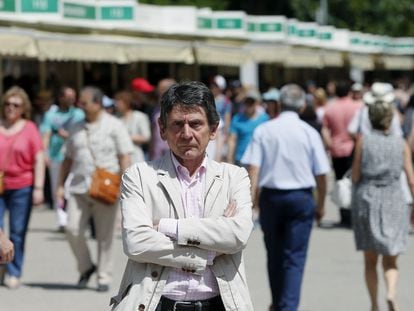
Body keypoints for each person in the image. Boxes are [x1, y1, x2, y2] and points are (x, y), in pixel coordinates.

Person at [110, 81, 254, 311]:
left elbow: (237, 235)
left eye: (196, 124)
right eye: (178, 124)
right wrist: (206, 253)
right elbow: (136, 242)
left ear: (214, 129)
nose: (186, 134)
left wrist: (169, 227)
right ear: (162, 129)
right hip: (155, 303)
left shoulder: (234, 177)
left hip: (220, 304)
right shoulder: (139, 176)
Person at [241, 84, 330, 311]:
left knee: (274, 254)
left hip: (271, 198)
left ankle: (279, 301)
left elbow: (253, 169)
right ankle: (287, 306)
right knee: (295, 258)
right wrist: (320, 204)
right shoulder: (309, 132)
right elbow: (321, 174)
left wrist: (250, 204)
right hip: (301, 198)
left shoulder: (265, 130)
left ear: (279, 104)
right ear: (302, 106)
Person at [56, 86, 133, 292]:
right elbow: (67, 158)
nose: (79, 105)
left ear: (97, 103)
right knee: (72, 229)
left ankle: (103, 276)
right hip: (79, 187)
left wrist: (126, 185)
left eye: (84, 102)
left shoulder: (115, 126)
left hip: (106, 188)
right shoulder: (75, 126)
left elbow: (124, 155)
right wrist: (59, 187)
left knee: (104, 235)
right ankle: (86, 267)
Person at [351, 96, 414, 311]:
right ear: (390, 120)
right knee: (391, 259)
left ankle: (374, 305)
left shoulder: (364, 141)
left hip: (368, 199)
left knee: (370, 260)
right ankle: (391, 293)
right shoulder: (401, 143)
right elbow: (411, 179)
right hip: (394, 198)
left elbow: (356, 174)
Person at [0, 86, 45, 289]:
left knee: (17, 232)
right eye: (8, 104)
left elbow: (38, 159)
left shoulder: (29, 128)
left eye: (16, 105)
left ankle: (13, 270)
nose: (11, 108)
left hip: (22, 186)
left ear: (23, 108)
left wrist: (38, 188)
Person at [41, 86, 84, 232]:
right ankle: (61, 219)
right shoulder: (50, 115)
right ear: (60, 98)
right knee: (56, 188)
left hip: (75, 156)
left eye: (73, 96)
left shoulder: (79, 114)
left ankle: (74, 217)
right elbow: (45, 134)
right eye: (68, 96)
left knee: (72, 186)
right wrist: (44, 153)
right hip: (56, 156)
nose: (72, 99)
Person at [322, 81, 362, 226]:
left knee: (340, 181)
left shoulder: (330, 108)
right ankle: (354, 215)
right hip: (355, 149)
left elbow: (325, 129)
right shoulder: (358, 106)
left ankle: (344, 216)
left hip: (337, 149)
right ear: (350, 92)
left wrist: (329, 144)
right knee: (355, 181)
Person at [227, 91, 269, 166]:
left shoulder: (265, 119)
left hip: (259, 159)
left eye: (251, 102)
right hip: (241, 160)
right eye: (247, 102)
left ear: (256, 103)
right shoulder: (237, 119)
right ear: (243, 103)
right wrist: (229, 159)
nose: (249, 105)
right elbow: (232, 140)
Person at [114, 90, 151, 163]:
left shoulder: (140, 116)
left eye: (119, 102)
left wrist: (125, 137)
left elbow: (146, 137)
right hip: (119, 156)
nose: (116, 104)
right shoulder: (116, 118)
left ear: (126, 102)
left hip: (135, 155)